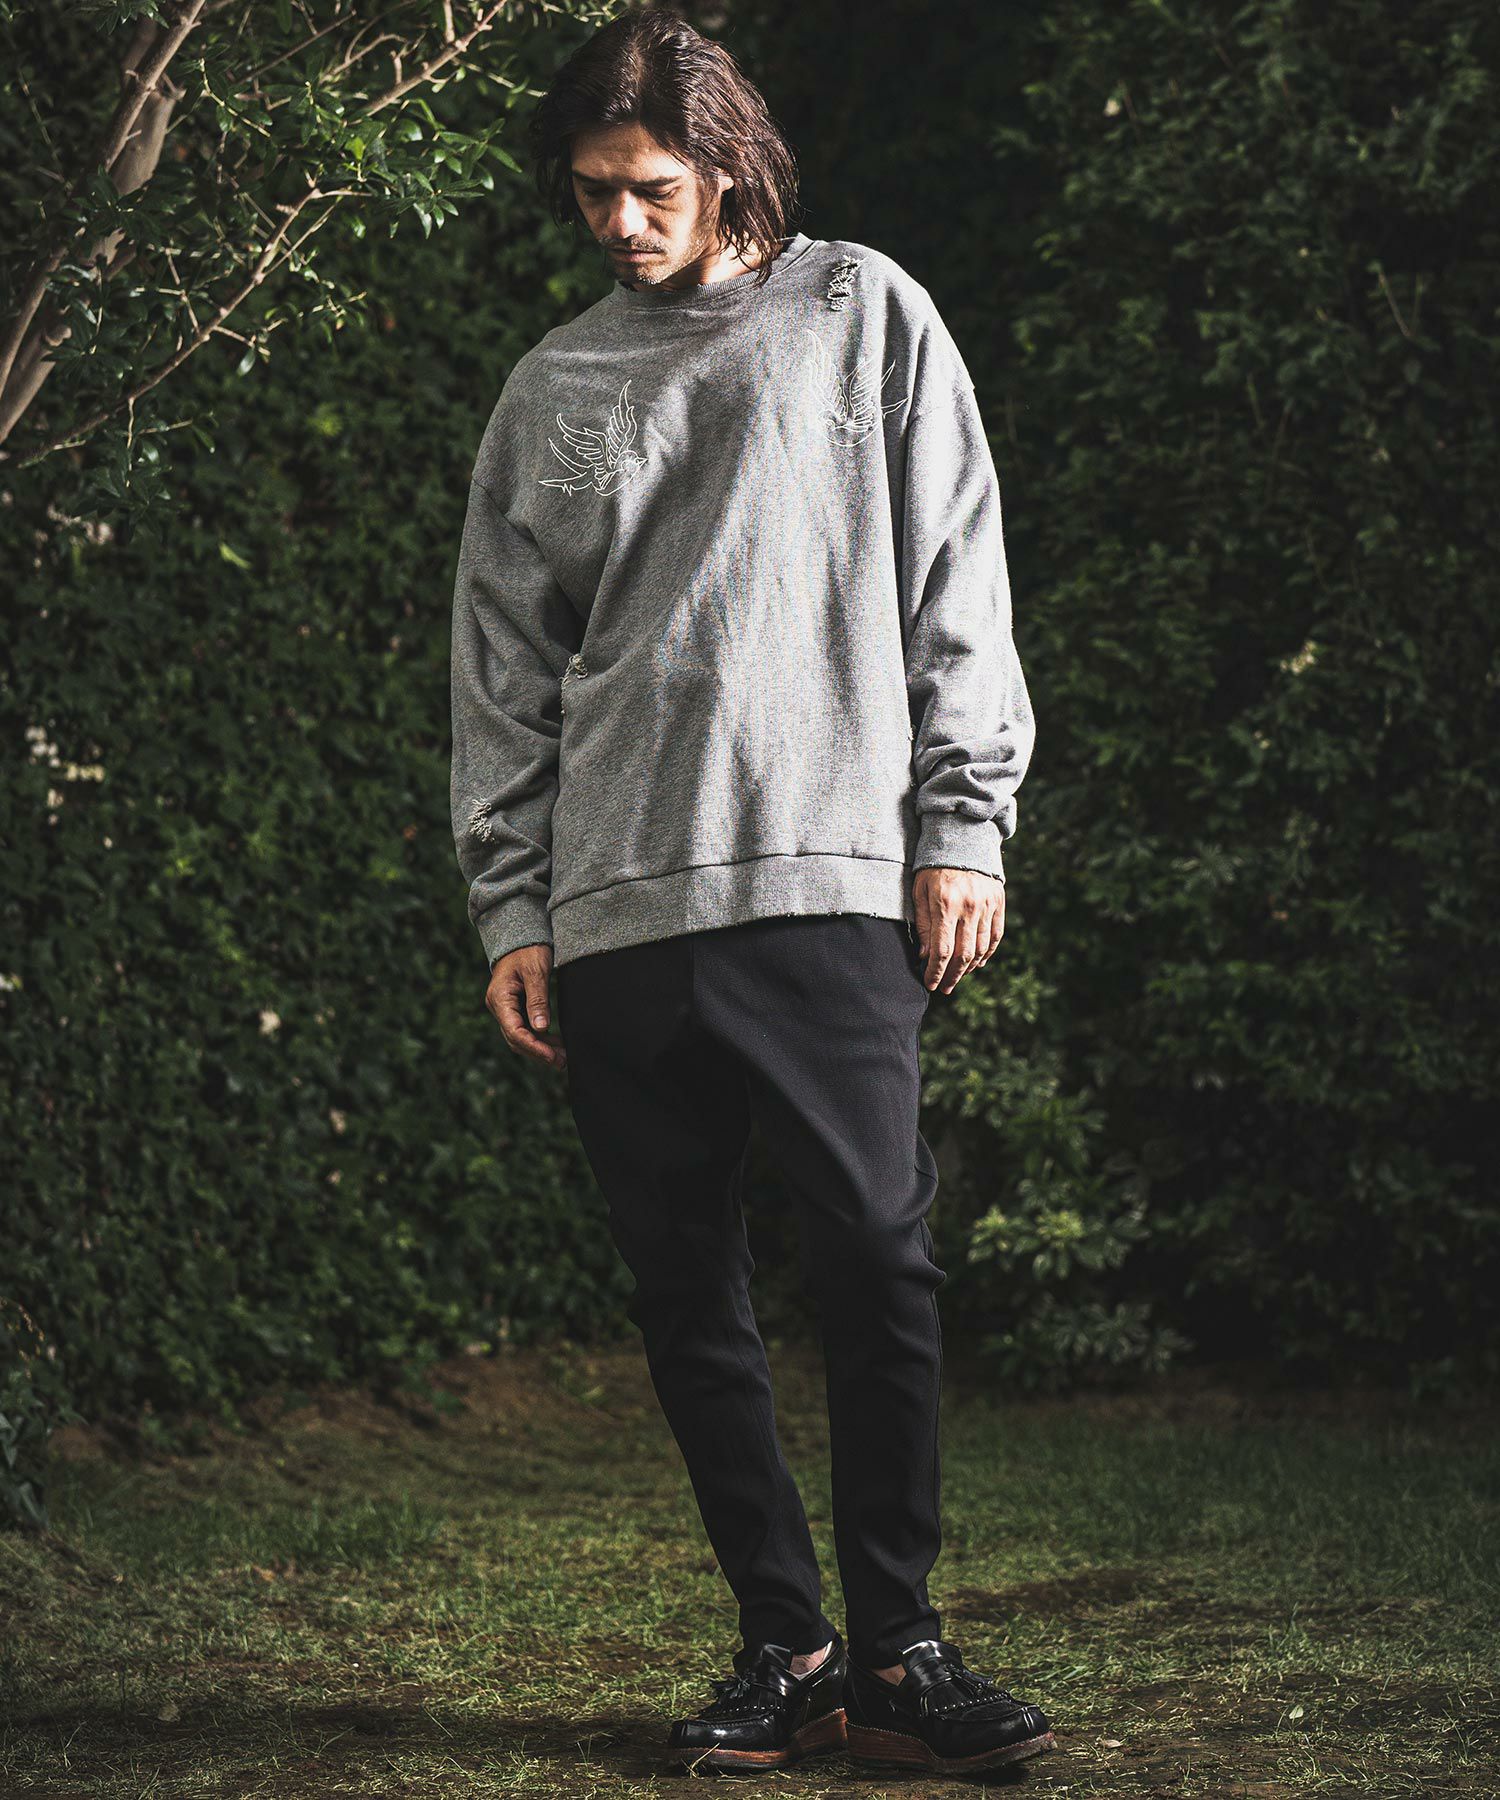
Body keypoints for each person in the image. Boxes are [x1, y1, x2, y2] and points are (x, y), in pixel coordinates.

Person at [448, 9, 1051, 1778]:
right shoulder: (553, 386)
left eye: (648, 187)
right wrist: (515, 907)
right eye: (591, 193)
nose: (620, 222)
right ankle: (787, 1649)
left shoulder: (863, 310)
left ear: (726, 163)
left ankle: (903, 1651)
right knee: (684, 1294)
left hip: (826, 879)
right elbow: (503, 670)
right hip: (618, 905)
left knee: (877, 1256)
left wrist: (963, 826)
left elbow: (958, 573)